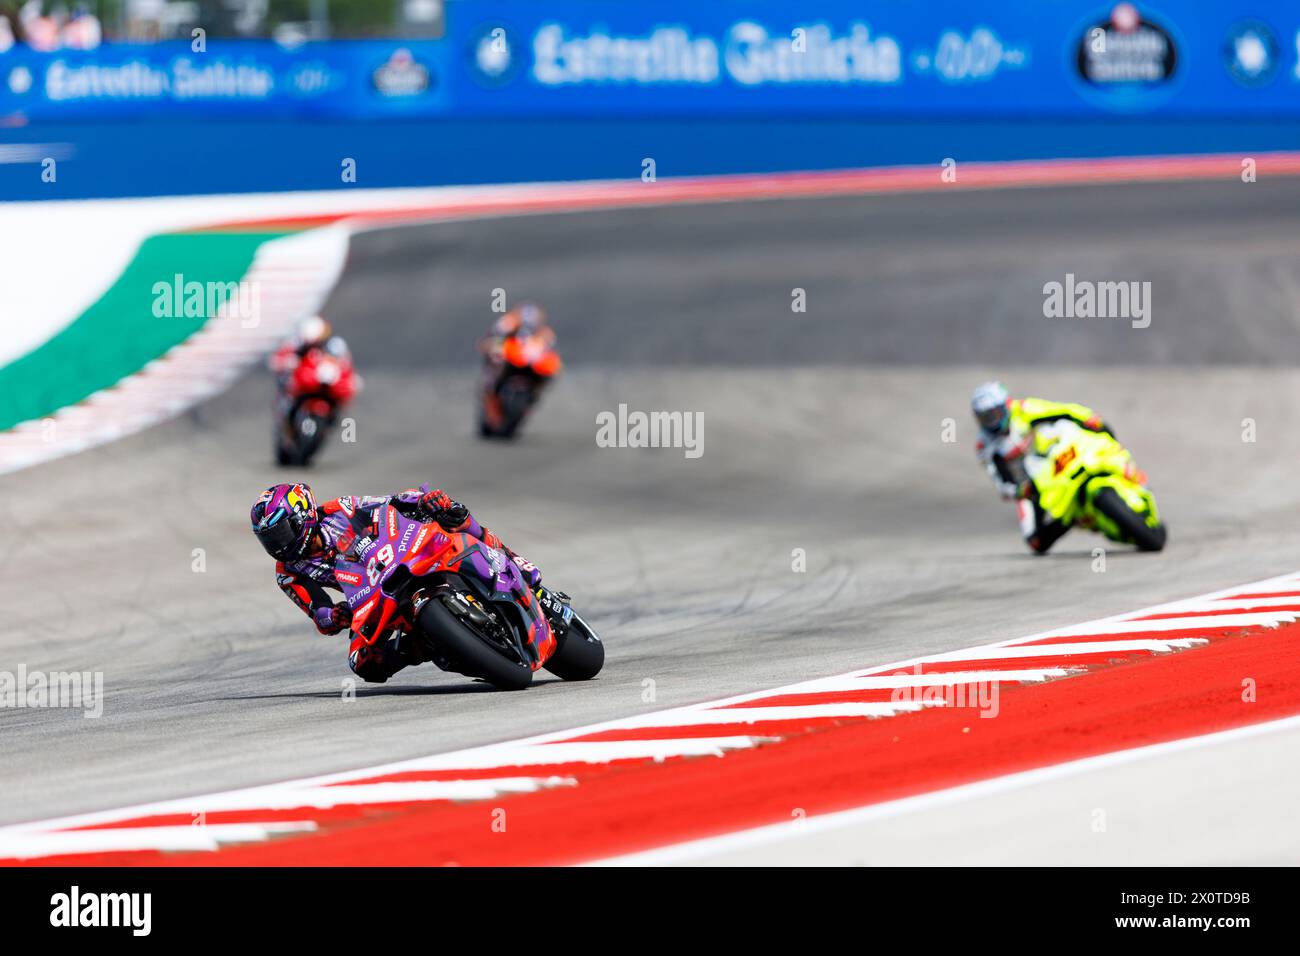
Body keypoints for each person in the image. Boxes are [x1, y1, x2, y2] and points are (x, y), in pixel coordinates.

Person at [250, 482, 545, 684]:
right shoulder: (288, 572)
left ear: (303, 516)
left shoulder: (341, 510)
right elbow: (319, 614)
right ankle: (428, 644)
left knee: (453, 515)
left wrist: (420, 500)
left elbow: (388, 502)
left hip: (399, 554)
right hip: (369, 594)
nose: (278, 545)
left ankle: (512, 559)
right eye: (269, 540)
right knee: (362, 663)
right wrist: (335, 616)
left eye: (281, 532)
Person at [970, 381, 1116, 554]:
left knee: (1097, 432)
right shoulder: (984, 445)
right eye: (984, 417)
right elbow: (999, 483)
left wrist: (1090, 419)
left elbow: (1065, 411)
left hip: (1056, 455)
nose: (990, 422)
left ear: (1005, 405)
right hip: (1032, 483)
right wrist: (1017, 491)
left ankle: (1120, 469)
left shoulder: (1025, 409)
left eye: (993, 414)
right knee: (1036, 542)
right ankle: (1071, 516)